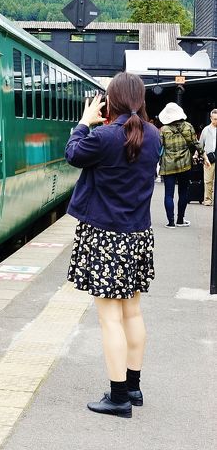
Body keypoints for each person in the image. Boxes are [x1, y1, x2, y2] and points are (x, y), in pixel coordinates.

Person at [65, 72, 161, 418]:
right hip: (137, 235)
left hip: (106, 236)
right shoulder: (153, 136)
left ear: (112, 99)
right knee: (132, 312)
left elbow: (72, 153)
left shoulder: (104, 136)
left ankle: (117, 397)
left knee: (109, 318)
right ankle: (133, 387)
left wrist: (83, 122)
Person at [158, 102, 207, 227]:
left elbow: (159, 147)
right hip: (185, 164)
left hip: (168, 165)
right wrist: (204, 156)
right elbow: (196, 143)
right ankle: (180, 220)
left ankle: (171, 222)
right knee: (183, 192)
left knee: (168, 194)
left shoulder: (163, 130)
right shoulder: (188, 126)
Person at [198, 109, 217, 206]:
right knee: (208, 180)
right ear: (210, 118)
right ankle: (208, 199)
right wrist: (202, 156)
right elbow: (200, 145)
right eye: (214, 119)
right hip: (209, 157)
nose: (216, 121)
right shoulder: (206, 130)